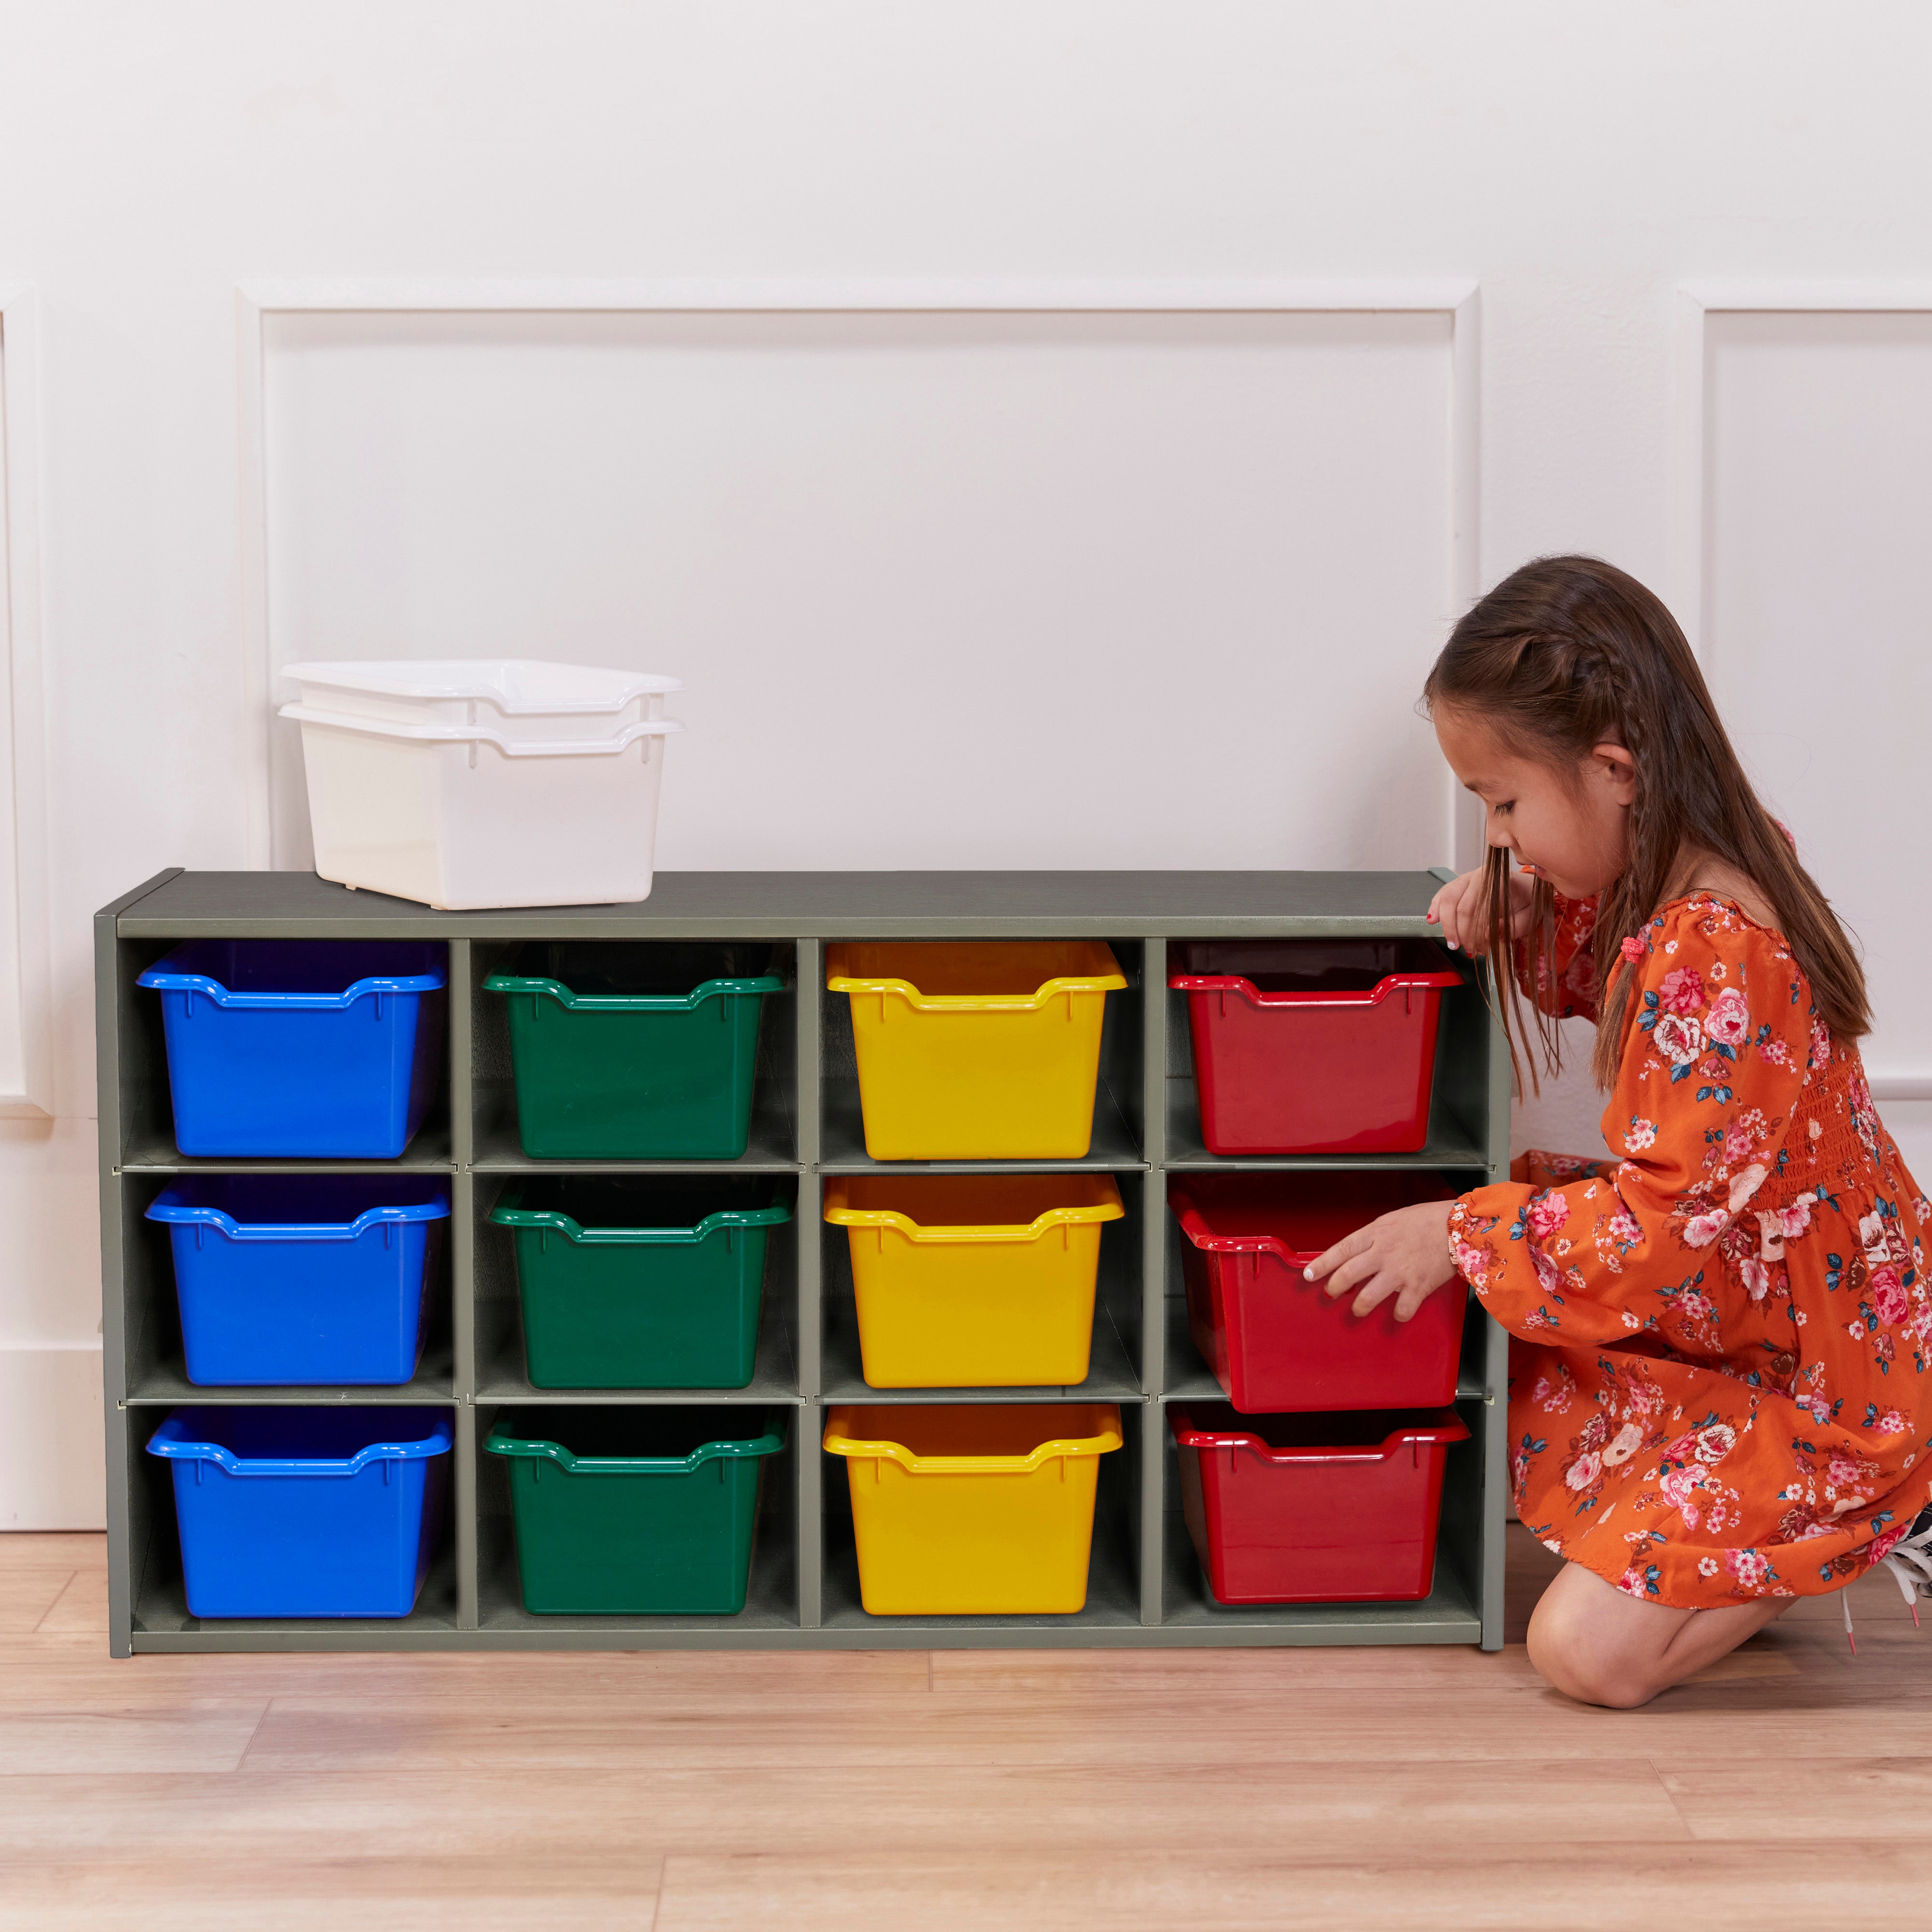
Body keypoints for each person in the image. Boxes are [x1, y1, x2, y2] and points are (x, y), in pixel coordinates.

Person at [1306, 555, 1932, 1707]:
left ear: (1612, 771)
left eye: (1502, 803)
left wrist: (1457, 1231)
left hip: (1828, 1365)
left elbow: (1649, 1227)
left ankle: (1890, 1497)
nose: (1495, 834)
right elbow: (1636, 992)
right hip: (1765, 1295)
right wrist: (1524, 912)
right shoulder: (1693, 871)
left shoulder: (1722, 944)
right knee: (1543, 1351)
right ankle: (1798, 1507)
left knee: (1583, 1655)